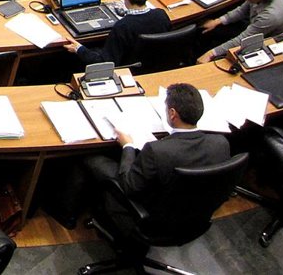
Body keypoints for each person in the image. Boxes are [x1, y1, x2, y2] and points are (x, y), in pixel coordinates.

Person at [51, 82, 229, 230]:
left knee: (88, 158)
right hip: (192, 215)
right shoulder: (221, 143)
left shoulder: (157, 151)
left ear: (172, 113)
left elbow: (128, 185)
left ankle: (66, 215)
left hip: (151, 217)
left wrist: (127, 145)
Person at [64, 0, 169, 65]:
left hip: (127, 69)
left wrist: (79, 49)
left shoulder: (123, 26)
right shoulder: (162, 15)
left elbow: (104, 62)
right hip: (155, 64)